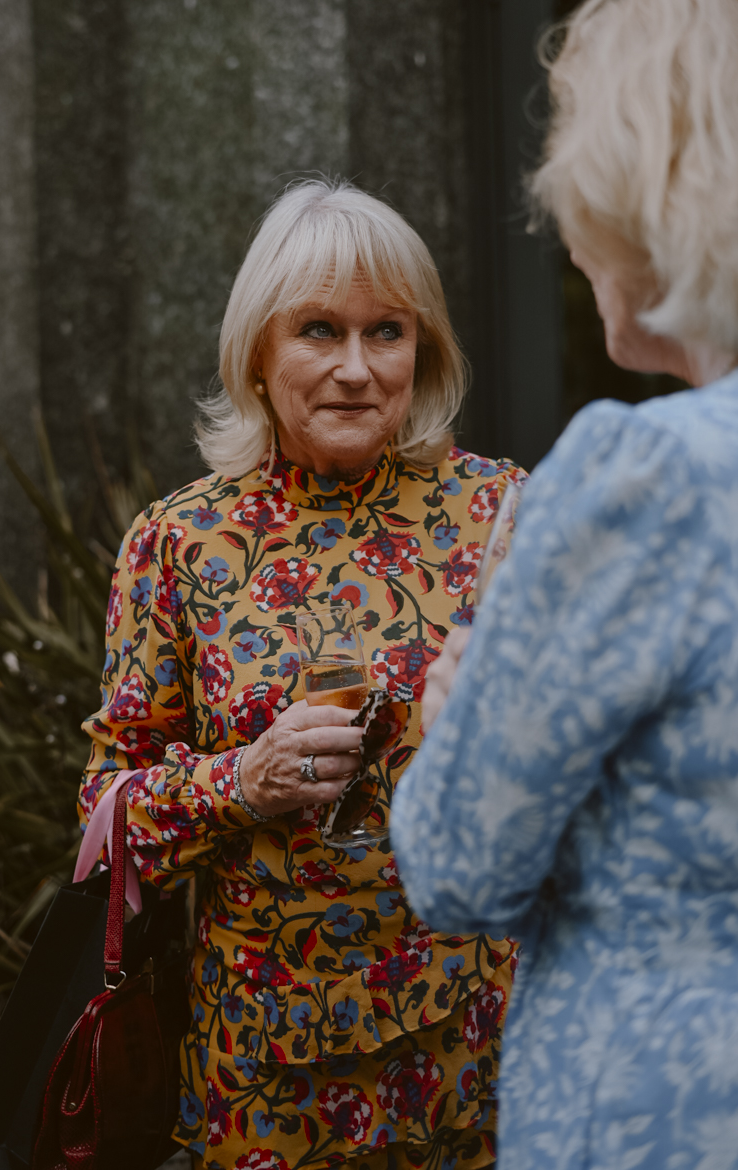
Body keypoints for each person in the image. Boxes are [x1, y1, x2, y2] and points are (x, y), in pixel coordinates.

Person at [79, 179, 525, 1170]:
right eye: (320, 330)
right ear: (258, 350)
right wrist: (244, 781)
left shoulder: (502, 515)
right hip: (265, 1072)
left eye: (386, 332)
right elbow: (106, 819)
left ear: (423, 349)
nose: (356, 369)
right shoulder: (178, 543)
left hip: (472, 1049)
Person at [391, 1, 738, 1167]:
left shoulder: (644, 476)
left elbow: (457, 870)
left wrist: (455, 721)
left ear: (641, 195)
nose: (565, 238)